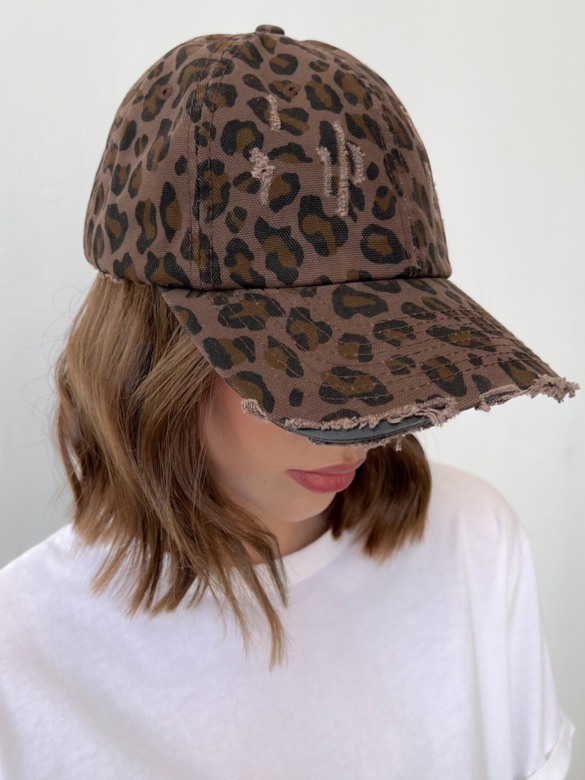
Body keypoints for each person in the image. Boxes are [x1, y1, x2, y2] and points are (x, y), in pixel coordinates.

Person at [0, 22, 579, 779]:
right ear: (153, 350)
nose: (357, 427)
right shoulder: (22, 662)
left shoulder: (473, 542)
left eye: (387, 355)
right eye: (297, 364)